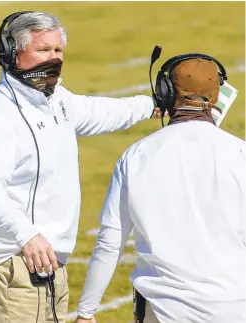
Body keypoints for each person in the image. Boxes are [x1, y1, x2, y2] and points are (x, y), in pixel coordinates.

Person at [0, 11, 161, 323]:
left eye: (58, 51)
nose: (54, 59)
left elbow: (102, 111)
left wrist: (155, 103)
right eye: (44, 50)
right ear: (12, 53)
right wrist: (26, 234)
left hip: (49, 260)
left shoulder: (55, 100)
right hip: (12, 261)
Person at [75, 50, 246, 323]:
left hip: (163, 311)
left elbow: (110, 241)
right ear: (217, 98)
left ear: (165, 93)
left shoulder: (137, 155)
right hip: (234, 309)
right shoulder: (240, 154)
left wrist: (86, 311)